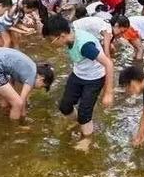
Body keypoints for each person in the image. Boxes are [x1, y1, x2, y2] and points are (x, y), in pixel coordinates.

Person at [43, 15, 114, 150]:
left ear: (62, 36)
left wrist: (108, 92)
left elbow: (108, 64)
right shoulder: (70, 35)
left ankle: (87, 138)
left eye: (51, 41)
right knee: (65, 106)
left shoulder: (85, 46)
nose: (51, 44)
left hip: (94, 78)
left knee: (84, 112)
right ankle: (81, 123)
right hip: (78, 74)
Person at [0, 47, 55, 120]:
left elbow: (11, 75)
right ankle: (14, 128)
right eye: (42, 86)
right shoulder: (32, 75)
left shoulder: (30, 67)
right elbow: (22, 100)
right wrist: (23, 117)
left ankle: (1, 115)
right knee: (18, 103)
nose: (39, 88)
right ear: (41, 78)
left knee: (6, 98)